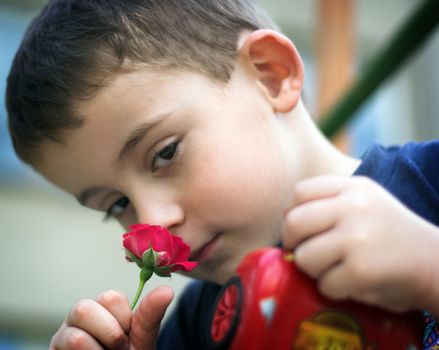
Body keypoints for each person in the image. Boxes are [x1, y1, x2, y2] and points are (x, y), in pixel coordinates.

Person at [5, 0, 439, 349]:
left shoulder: (430, 184)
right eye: (118, 204)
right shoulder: (196, 328)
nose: (153, 224)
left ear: (272, 75)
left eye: (165, 153)